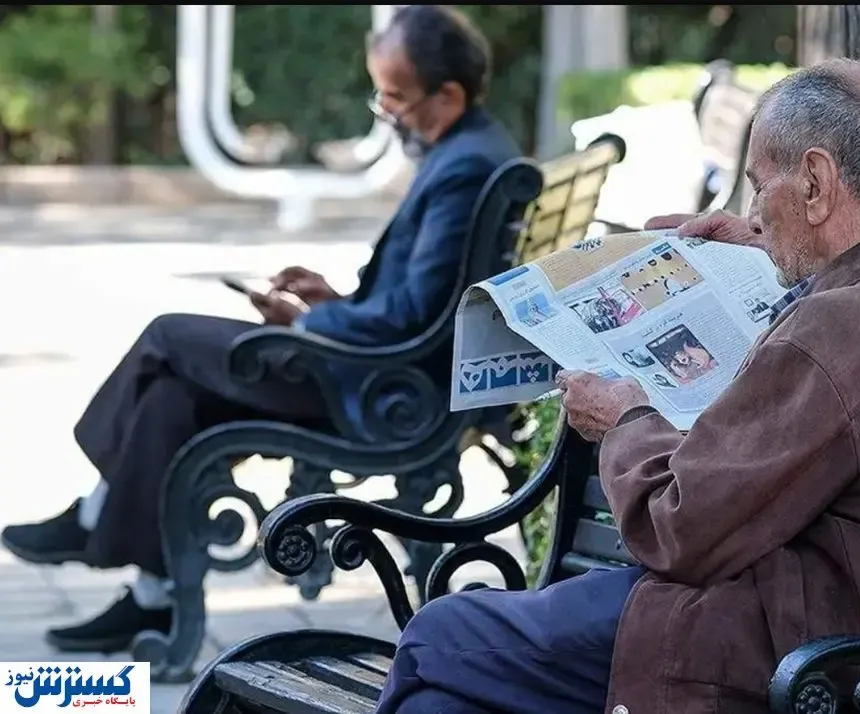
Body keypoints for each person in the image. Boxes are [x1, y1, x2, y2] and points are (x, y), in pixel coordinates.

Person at [372, 58, 860, 714]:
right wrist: (768, 244)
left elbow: (677, 528)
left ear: (816, 182)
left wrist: (626, 418)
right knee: (440, 707)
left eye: (759, 187)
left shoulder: (838, 333)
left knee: (438, 637)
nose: (753, 212)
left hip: (810, 655)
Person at [1, 5, 519, 654]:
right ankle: (153, 601)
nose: (386, 114)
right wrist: (335, 298)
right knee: (170, 399)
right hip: (387, 374)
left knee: (166, 337)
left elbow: (409, 317)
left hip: (378, 390)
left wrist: (309, 321)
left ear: (448, 96)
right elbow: (420, 301)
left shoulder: (465, 167)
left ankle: (94, 516)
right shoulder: (473, 149)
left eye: (394, 97)